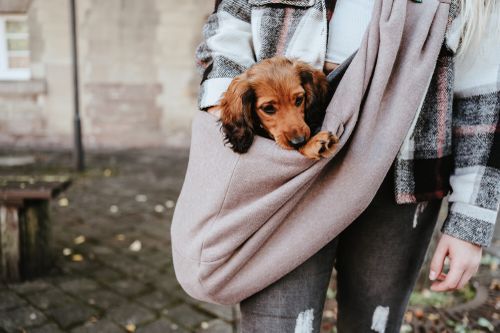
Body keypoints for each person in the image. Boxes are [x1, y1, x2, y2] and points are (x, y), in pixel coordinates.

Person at [195, 0, 500, 331]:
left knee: (374, 324)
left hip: (402, 174)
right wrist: (226, 110)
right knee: (276, 323)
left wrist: (470, 225)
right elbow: (229, 23)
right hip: (286, 172)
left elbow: (483, 97)